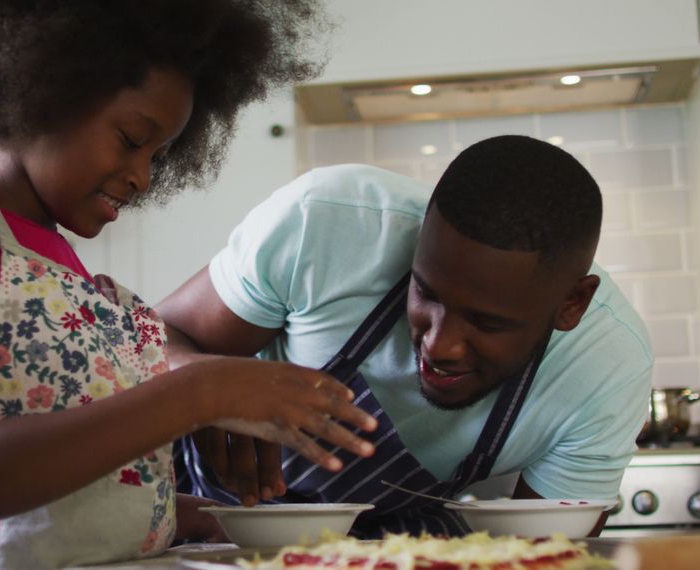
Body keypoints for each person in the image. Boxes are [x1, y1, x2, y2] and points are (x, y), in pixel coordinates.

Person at [0, 2, 380, 568]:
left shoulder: (77, 282)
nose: (143, 177)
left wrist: (203, 515)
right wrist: (201, 391)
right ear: (43, 92)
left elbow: (78, 486)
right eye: (132, 139)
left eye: (160, 156)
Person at [160, 135, 653, 538]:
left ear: (572, 305)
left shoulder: (606, 367)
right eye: (426, 293)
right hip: (195, 520)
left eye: (487, 323)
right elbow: (142, 340)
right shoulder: (326, 221)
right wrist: (209, 384)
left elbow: (545, 554)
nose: (441, 345)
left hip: (392, 544)